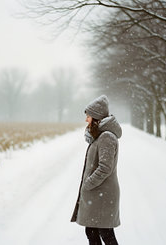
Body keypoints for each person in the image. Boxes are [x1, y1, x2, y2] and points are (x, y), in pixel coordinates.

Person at [71, 95, 122, 245]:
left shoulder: (106, 137)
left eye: (88, 116)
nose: (86, 120)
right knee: (93, 231)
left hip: (103, 194)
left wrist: (88, 184)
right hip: (97, 194)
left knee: (105, 233)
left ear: (96, 118)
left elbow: (105, 167)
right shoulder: (100, 136)